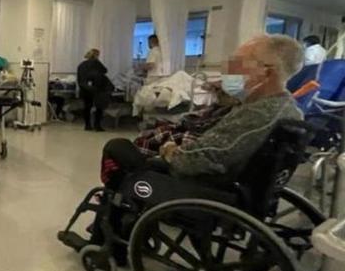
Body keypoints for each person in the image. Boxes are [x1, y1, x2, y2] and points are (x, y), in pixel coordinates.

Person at [100, 34, 304, 190]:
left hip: (199, 185)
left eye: (237, 64)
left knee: (117, 147)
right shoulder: (284, 108)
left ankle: (115, 216)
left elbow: (194, 160)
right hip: (228, 179)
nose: (227, 70)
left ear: (266, 72)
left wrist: (171, 148)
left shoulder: (260, 114)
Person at [77, 48, 112, 132]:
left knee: (87, 107)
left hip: (85, 89)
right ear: (96, 55)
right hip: (96, 88)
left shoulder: (81, 65)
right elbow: (105, 70)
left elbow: (80, 78)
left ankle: (87, 125)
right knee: (99, 107)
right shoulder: (96, 63)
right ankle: (97, 126)